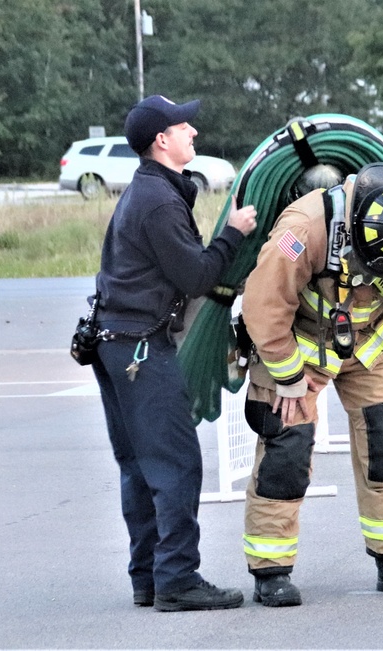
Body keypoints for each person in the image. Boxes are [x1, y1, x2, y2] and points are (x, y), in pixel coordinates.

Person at [239, 162, 383, 606]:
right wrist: (288, 378)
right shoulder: (301, 230)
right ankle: (271, 571)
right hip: (299, 343)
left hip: (372, 342)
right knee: (288, 446)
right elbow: (263, 306)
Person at [92, 95, 258, 611]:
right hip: (141, 347)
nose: (194, 134)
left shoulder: (150, 191)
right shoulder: (160, 201)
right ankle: (177, 580)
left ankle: (149, 577)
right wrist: (234, 234)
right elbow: (196, 276)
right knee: (176, 464)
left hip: (115, 342)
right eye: (185, 126)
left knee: (140, 467)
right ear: (161, 140)